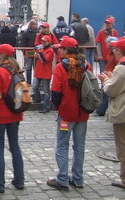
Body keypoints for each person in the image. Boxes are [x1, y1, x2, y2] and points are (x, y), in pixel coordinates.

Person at [47, 36, 90, 191]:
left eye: (61, 48)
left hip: (66, 113)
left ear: (65, 50)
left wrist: (57, 107)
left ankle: (62, 179)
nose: (59, 51)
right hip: (82, 113)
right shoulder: (86, 65)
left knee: (62, 145)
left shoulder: (60, 67)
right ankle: (78, 179)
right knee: (79, 146)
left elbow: (56, 92)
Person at [0, 44, 24, 193]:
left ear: (2, 56)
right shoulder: (17, 70)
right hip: (15, 113)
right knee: (15, 146)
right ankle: (19, 180)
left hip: (1, 115)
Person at [98, 38, 125, 190]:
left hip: (122, 111)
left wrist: (106, 80)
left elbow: (111, 90)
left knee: (122, 146)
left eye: (114, 49)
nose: (112, 51)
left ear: (119, 51)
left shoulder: (121, 68)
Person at [32, 36, 54, 113]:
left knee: (46, 91)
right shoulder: (41, 49)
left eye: (45, 41)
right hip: (38, 71)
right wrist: (36, 53)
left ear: (49, 42)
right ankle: (38, 99)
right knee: (34, 86)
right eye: (42, 41)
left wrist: (39, 53)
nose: (43, 43)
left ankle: (46, 107)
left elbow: (44, 60)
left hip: (45, 72)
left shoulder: (50, 51)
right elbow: (36, 56)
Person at [21, 20, 38, 84]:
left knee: (36, 68)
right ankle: (28, 82)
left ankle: (37, 82)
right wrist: (24, 52)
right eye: (34, 24)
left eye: (36, 24)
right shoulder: (26, 33)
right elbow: (23, 43)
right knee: (28, 68)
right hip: (29, 52)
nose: (35, 25)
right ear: (30, 25)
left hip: (37, 52)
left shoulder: (38, 32)